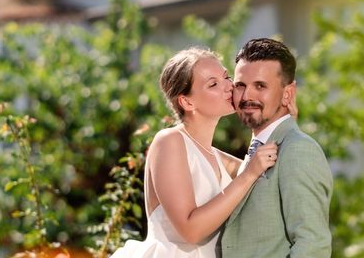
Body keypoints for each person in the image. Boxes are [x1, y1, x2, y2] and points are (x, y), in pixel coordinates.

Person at [110, 47, 278, 258]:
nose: (229, 86)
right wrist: (249, 175)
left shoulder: (219, 158)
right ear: (187, 102)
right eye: (213, 84)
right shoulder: (169, 141)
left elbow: (271, 176)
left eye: (226, 76)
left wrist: (278, 111)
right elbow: (191, 230)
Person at [218, 37, 333, 258]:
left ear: (287, 93)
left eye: (260, 86)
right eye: (240, 85)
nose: (247, 96)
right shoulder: (254, 152)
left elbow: (313, 245)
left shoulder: (298, 151)